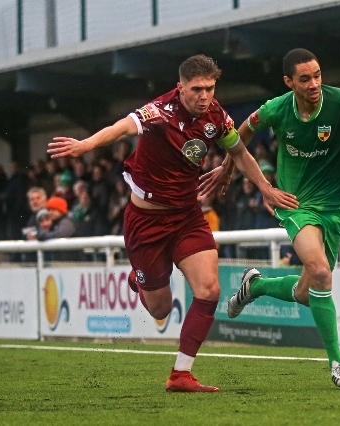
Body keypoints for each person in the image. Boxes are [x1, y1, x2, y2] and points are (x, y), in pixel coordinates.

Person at [47, 54, 298, 392]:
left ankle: (181, 374)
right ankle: (139, 280)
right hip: (146, 222)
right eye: (197, 89)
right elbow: (122, 128)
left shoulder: (216, 117)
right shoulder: (159, 112)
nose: (204, 96)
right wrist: (86, 144)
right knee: (160, 309)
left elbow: (238, 152)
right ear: (180, 88)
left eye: (210, 88)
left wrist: (265, 188)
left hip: (186, 216)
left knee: (209, 289)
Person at [204, 49, 340, 388]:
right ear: (288, 82)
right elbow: (242, 132)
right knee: (321, 271)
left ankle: (256, 285)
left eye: (318, 75)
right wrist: (228, 165)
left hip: (337, 206)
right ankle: (338, 363)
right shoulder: (276, 109)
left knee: (309, 292)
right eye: (305, 79)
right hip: (295, 203)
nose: (314, 84)